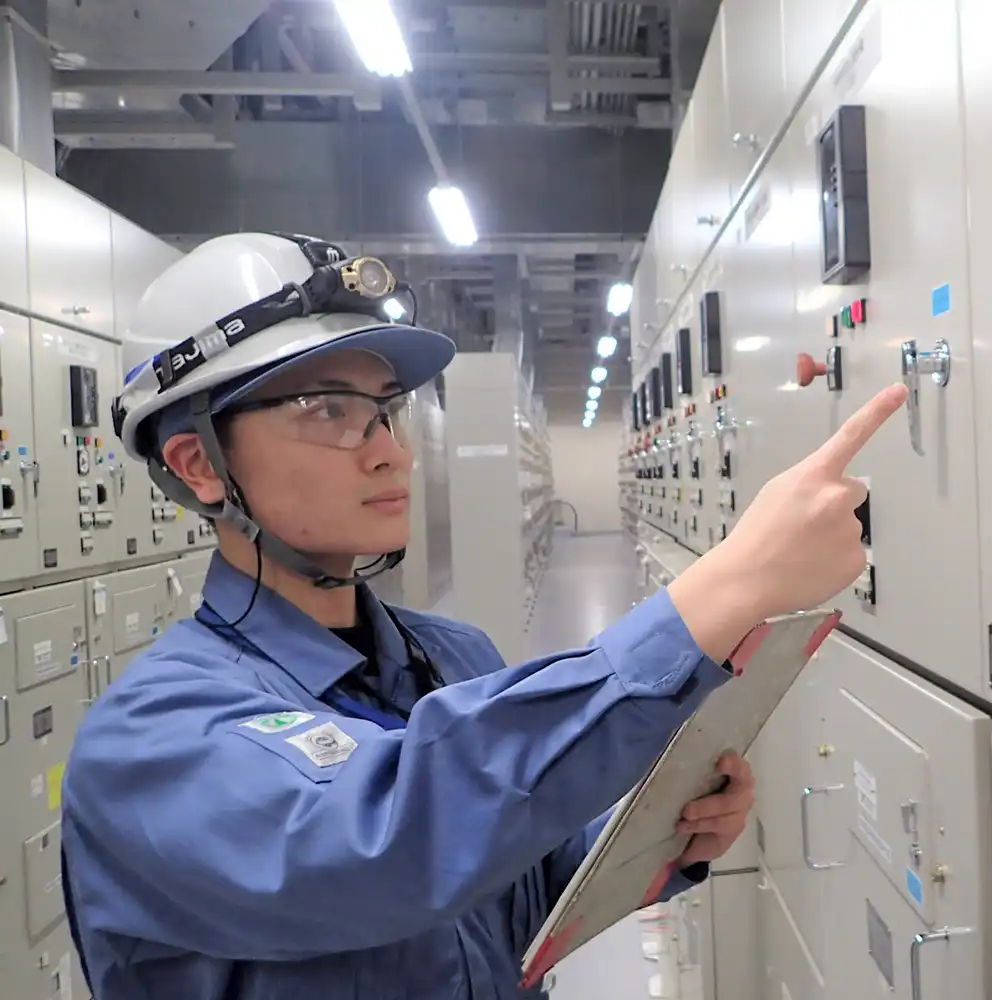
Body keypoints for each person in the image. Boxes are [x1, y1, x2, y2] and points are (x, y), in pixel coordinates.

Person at [59, 231, 908, 1000]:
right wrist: (727, 588)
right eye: (328, 411)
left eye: (383, 409)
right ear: (198, 466)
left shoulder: (451, 656)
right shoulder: (149, 742)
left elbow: (510, 884)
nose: (389, 446)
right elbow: (388, 848)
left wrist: (656, 835)